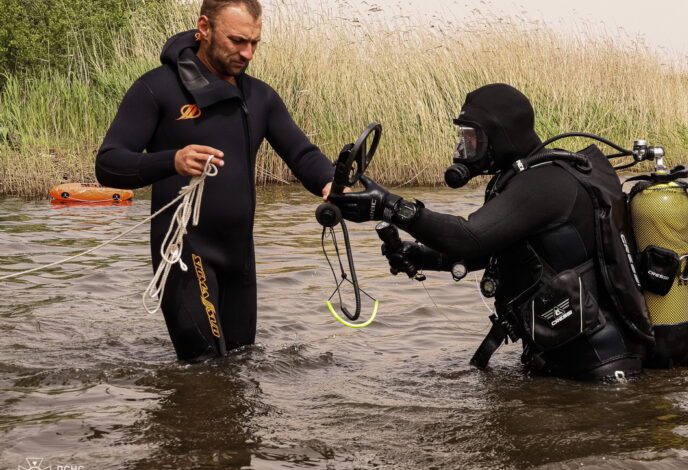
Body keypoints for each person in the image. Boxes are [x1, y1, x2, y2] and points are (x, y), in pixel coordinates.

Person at [328, 83, 656, 382]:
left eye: (472, 139)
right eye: (463, 139)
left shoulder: (544, 183)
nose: (464, 149)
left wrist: (389, 207)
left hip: (599, 368)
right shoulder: (524, 179)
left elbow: (469, 237)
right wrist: (421, 256)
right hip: (567, 361)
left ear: (501, 136)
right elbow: (487, 251)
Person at [95, 0, 335, 362]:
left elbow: (302, 154)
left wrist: (331, 182)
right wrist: (171, 160)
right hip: (184, 253)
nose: (247, 52)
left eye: (254, 42)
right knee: (204, 370)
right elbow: (109, 164)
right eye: (237, 40)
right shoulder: (157, 88)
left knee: (240, 366)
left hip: (239, 257)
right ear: (204, 27)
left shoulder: (260, 97)